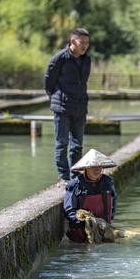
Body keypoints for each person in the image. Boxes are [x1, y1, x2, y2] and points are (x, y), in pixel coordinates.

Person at [44, 28, 91, 182]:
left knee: (77, 145)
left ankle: (75, 175)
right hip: (62, 107)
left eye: (87, 43)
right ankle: (64, 177)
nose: (85, 46)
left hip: (80, 107)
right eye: (81, 42)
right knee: (62, 143)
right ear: (72, 42)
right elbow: (49, 80)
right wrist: (56, 97)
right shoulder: (60, 58)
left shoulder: (87, 59)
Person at [64, 149, 118, 243]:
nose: (97, 170)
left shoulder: (108, 182)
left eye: (99, 166)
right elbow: (69, 210)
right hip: (81, 235)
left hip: (104, 231)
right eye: (93, 167)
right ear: (86, 168)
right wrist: (86, 224)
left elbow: (114, 202)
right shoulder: (75, 185)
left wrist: (106, 222)